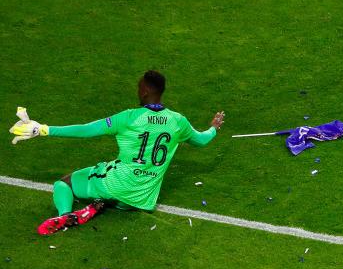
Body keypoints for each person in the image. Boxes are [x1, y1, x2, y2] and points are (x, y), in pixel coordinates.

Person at [8, 70, 224, 234]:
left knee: (64, 183)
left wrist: (44, 129)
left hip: (116, 184)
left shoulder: (129, 118)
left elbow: (87, 129)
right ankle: (100, 205)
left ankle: (66, 216)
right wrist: (213, 128)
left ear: (146, 90)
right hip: (141, 199)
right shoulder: (178, 122)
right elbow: (201, 140)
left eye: (140, 87)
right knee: (111, 180)